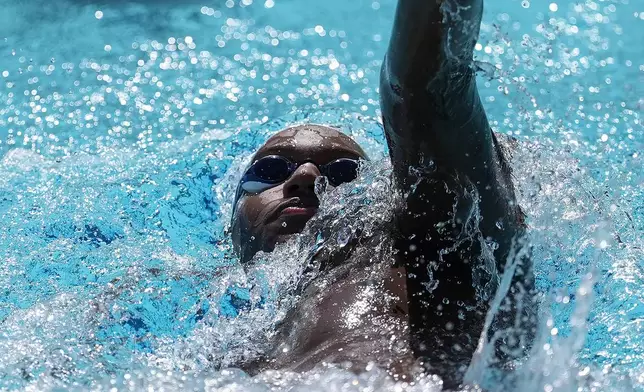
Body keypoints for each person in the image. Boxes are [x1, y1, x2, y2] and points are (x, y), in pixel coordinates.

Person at [229, 0, 535, 388]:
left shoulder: (430, 254)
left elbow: (426, 89)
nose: (306, 177)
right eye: (271, 170)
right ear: (232, 223)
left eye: (343, 175)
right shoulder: (220, 333)